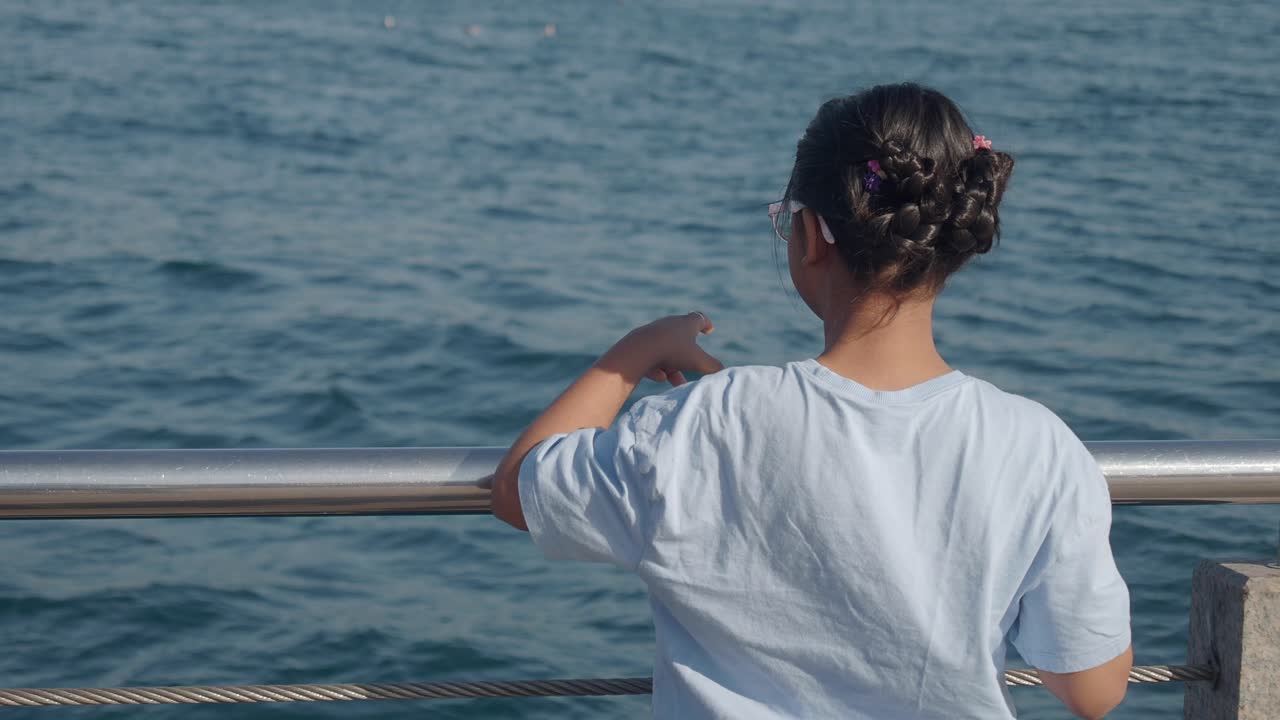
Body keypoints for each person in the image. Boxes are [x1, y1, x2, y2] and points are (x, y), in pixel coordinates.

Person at [491, 82, 1132, 719]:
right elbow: (1092, 691)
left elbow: (521, 488)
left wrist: (634, 351)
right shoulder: (1036, 445)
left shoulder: (709, 421)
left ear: (809, 235)